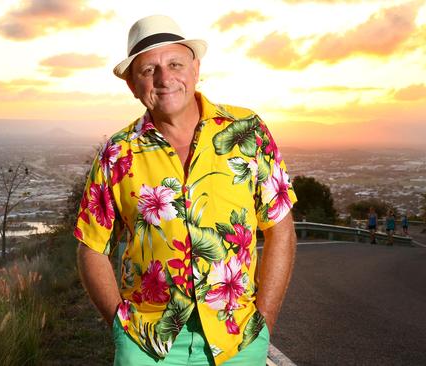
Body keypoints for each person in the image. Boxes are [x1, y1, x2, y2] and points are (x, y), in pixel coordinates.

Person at [74, 15, 297, 365]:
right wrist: (121, 328)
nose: (164, 79)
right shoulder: (117, 152)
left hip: (237, 339)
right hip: (147, 343)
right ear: (133, 85)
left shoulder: (248, 131)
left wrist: (264, 322)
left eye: (175, 64)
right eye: (148, 70)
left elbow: (280, 228)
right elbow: (91, 246)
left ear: (195, 69)